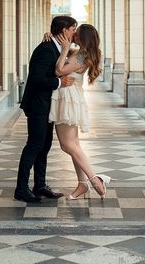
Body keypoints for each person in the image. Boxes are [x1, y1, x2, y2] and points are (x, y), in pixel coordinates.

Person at [14, 15, 77, 203]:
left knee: (44, 146)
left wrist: (66, 49)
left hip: (47, 106)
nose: (74, 33)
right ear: (64, 30)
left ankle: (40, 185)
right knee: (34, 146)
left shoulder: (57, 47)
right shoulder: (45, 49)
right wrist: (60, 81)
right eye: (73, 29)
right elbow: (37, 79)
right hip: (37, 106)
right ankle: (21, 189)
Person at [49, 24, 111, 200]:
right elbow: (63, 54)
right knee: (73, 144)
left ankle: (95, 180)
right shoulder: (79, 52)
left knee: (67, 145)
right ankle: (82, 184)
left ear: (83, 38)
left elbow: (59, 70)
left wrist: (64, 51)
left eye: (76, 35)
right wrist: (53, 39)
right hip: (68, 98)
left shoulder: (82, 56)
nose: (73, 36)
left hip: (68, 99)